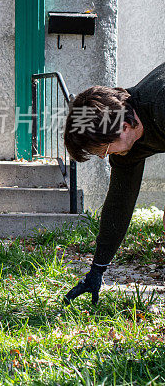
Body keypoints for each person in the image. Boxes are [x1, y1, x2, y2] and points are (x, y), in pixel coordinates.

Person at [62, 63, 165, 304]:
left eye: (104, 149)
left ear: (124, 127)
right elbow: (119, 203)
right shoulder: (127, 145)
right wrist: (97, 268)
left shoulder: (160, 103)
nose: (103, 156)